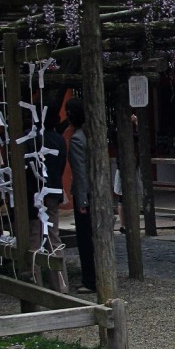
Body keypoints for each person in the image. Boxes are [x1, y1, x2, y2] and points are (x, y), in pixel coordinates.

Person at [27, 110, 68, 292]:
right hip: (52, 190)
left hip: (33, 193)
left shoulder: (28, 139)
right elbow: (61, 165)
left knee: (34, 238)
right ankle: (60, 284)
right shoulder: (59, 139)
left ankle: (35, 284)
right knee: (54, 237)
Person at [66, 99, 96, 294]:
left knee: (85, 238)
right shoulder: (91, 136)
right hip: (96, 192)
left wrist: (82, 200)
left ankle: (90, 279)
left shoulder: (77, 139)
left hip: (85, 194)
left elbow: (79, 171)